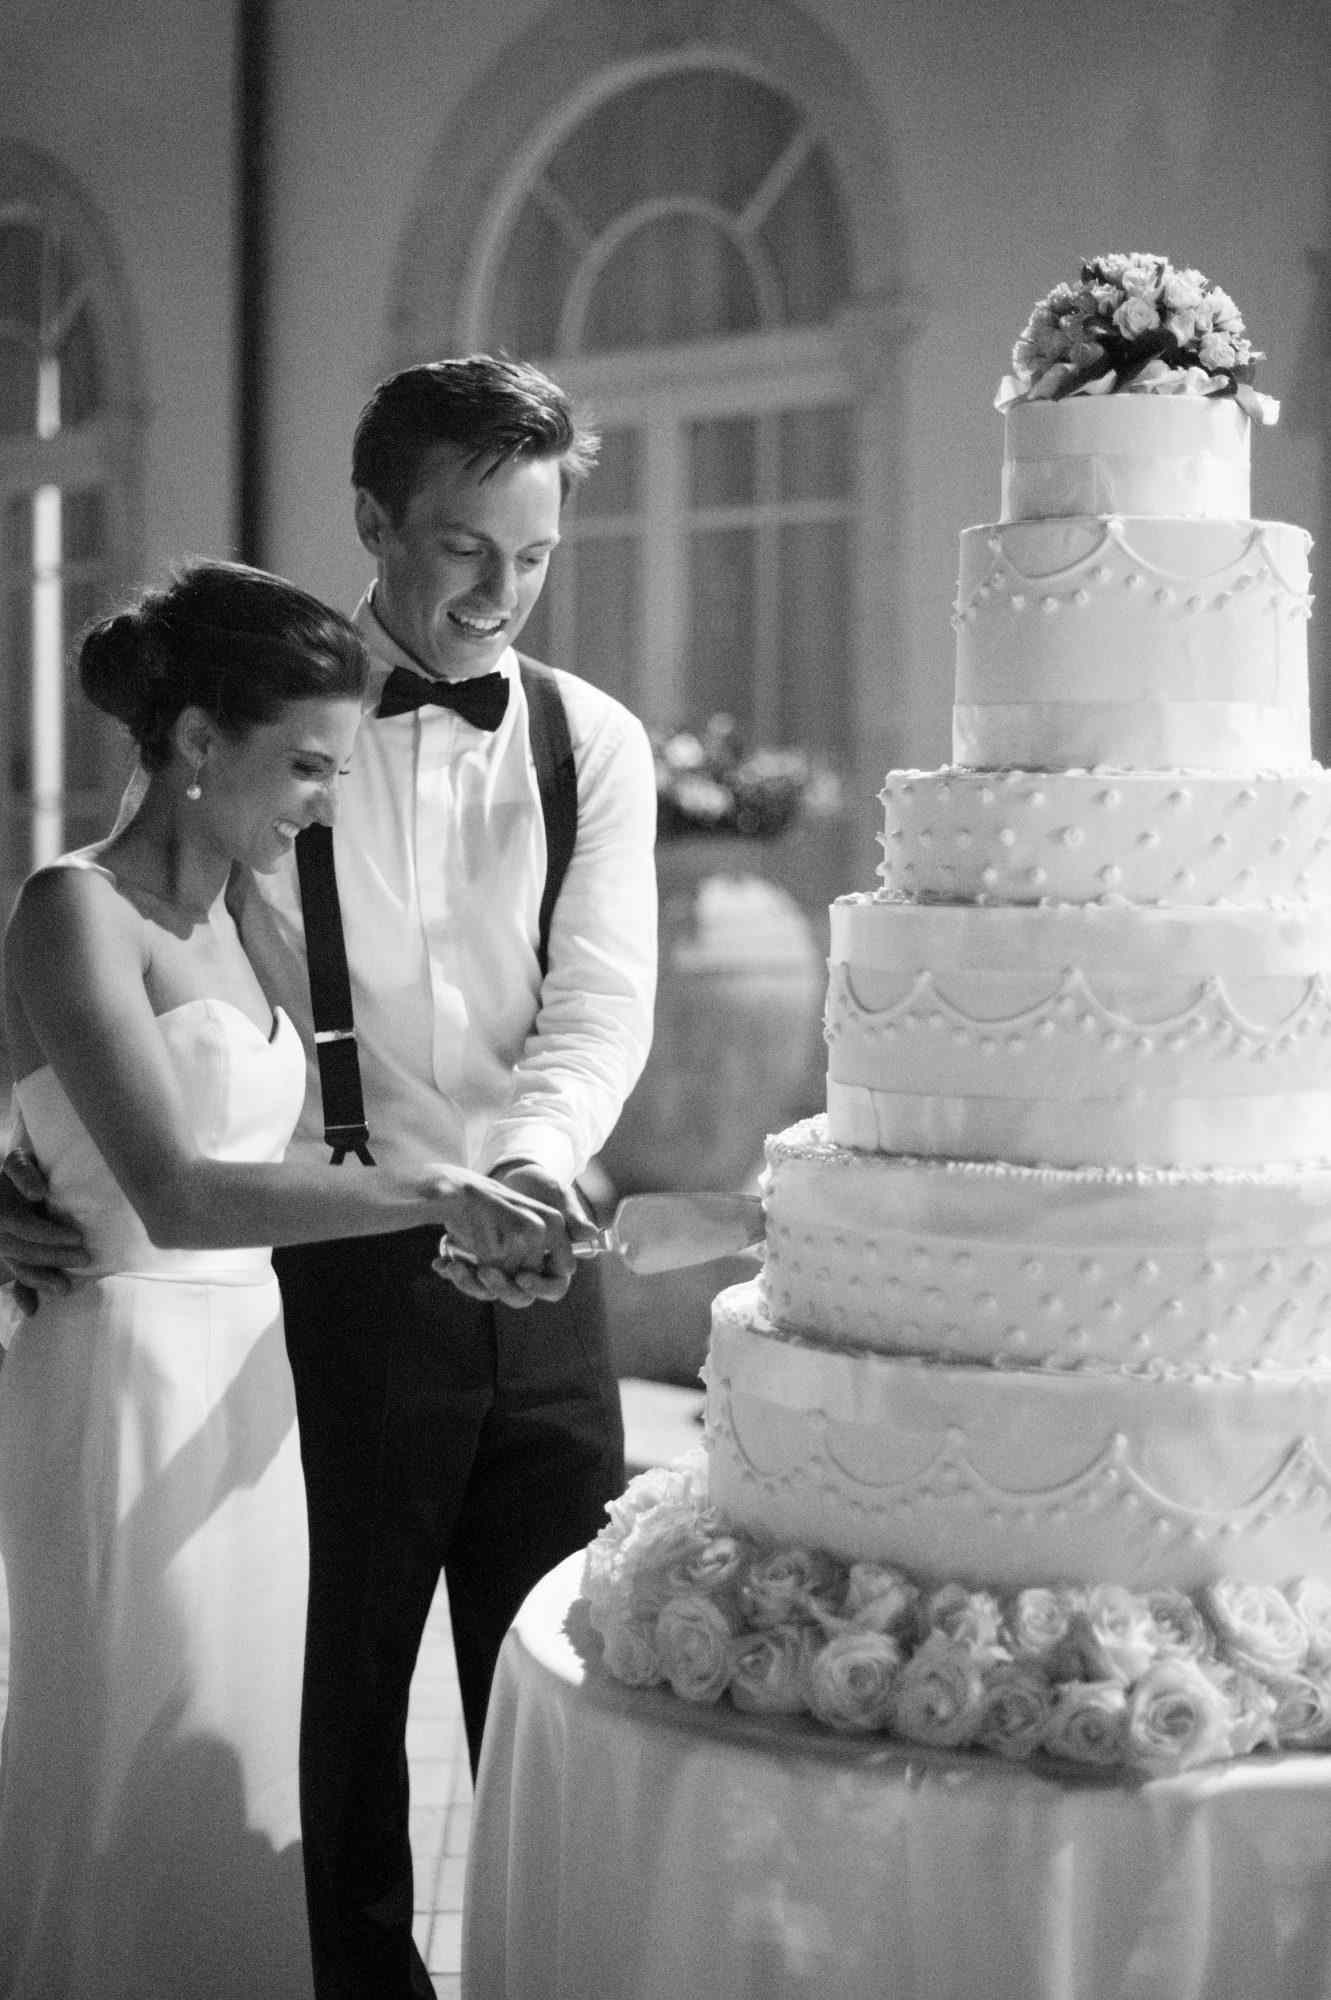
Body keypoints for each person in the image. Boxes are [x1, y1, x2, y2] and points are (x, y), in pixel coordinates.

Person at [0, 356, 659, 1999]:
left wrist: (520, 1171)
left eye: (534, 555)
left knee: (557, 1694)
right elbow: (104, 986)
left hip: (540, 1267)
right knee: (329, 1718)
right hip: (319, 1285)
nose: (499, 595)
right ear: (371, 522)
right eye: (460, 550)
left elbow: (600, 999)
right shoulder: (278, 721)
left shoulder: (593, 743)